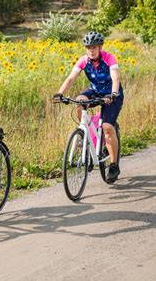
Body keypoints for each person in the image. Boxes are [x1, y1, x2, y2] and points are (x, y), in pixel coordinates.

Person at [53, 31, 123, 182]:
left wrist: (114, 93)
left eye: (94, 47)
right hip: (95, 91)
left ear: (100, 47)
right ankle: (85, 133)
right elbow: (71, 77)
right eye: (88, 47)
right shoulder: (84, 60)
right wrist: (60, 93)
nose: (91, 50)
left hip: (112, 94)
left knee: (107, 127)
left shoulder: (109, 58)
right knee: (79, 101)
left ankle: (113, 164)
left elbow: (115, 76)